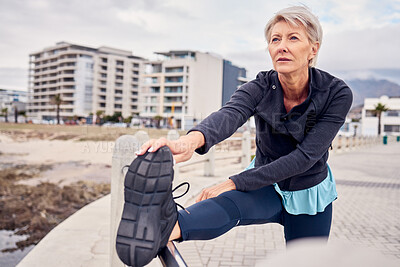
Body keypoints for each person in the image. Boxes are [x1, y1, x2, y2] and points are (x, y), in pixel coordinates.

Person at [116, 5, 353, 266]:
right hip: (266, 185)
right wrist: (187, 142)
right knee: (228, 205)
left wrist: (235, 181)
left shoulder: (336, 93)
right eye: (275, 39)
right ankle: (165, 228)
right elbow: (228, 115)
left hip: (310, 192)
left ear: (313, 49)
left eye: (292, 38)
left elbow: (306, 157)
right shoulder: (260, 87)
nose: (281, 46)